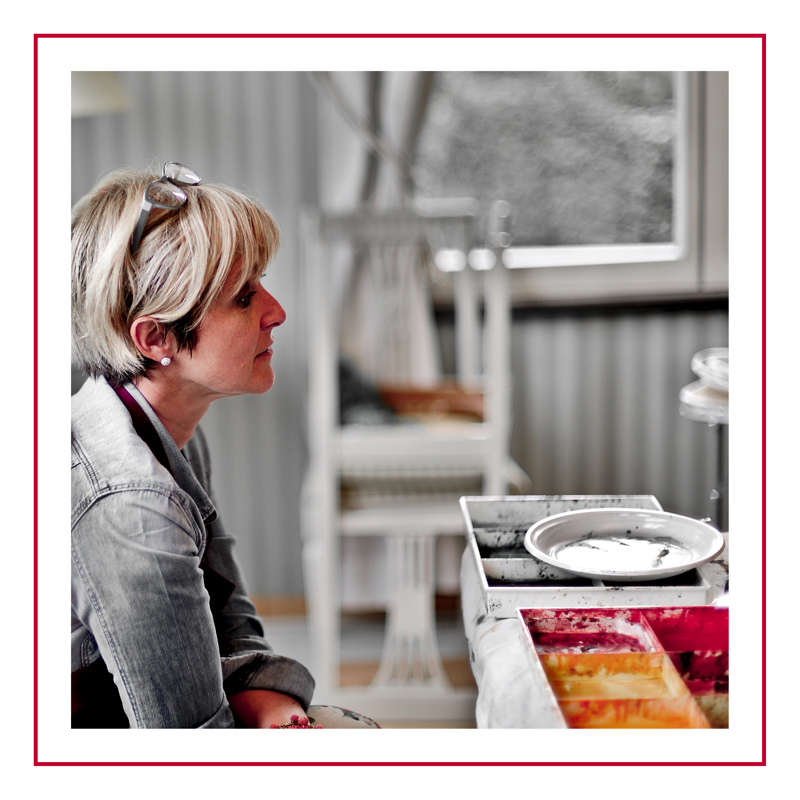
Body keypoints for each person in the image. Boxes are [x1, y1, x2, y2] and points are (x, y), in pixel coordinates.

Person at [71, 162, 378, 730]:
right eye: (243, 298)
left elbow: (226, 606)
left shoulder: (161, 425)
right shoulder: (132, 506)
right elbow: (193, 750)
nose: (276, 312)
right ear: (155, 337)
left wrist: (267, 695)